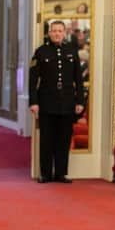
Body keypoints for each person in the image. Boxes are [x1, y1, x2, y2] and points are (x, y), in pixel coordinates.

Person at [29, 20, 84, 183]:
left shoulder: (71, 51)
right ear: (49, 33)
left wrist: (80, 100)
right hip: (46, 101)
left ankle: (61, 173)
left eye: (60, 31)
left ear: (64, 33)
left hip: (67, 102)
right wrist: (33, 102)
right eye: (54, 31)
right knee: (46, 138)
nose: (56, 34)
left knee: (64, 138)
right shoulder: (41, 52)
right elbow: (33, 80)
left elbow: (78, 79)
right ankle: (45, 173)